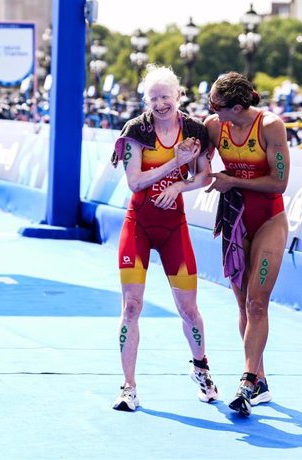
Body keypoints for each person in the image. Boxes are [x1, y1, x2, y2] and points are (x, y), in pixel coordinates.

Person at [109, 64, 218, 412]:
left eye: (165, 97)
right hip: (138, 224)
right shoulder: (136, 130)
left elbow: (205, 176)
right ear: (146, 101)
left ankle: (200, 368)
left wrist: (180, 185)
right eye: (153, 98)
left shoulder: (195, 130)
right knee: (132, 307)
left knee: (189, 310)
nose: (160, 104)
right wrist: (175, 164)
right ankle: (128, 386)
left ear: (178, 96)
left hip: (173, 227)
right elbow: (135, 182)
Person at [204, 71, 290, 416]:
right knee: (242, 306)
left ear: (238, 106)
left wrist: (233, 180)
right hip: (235, 222)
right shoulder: (214, 125)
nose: (211, 111)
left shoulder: (271, 126)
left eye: (216, 105)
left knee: (257, 304)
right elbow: (197, 161)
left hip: (269, 220)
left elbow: (279, 182)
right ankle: (260, 378)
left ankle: (247, 380)